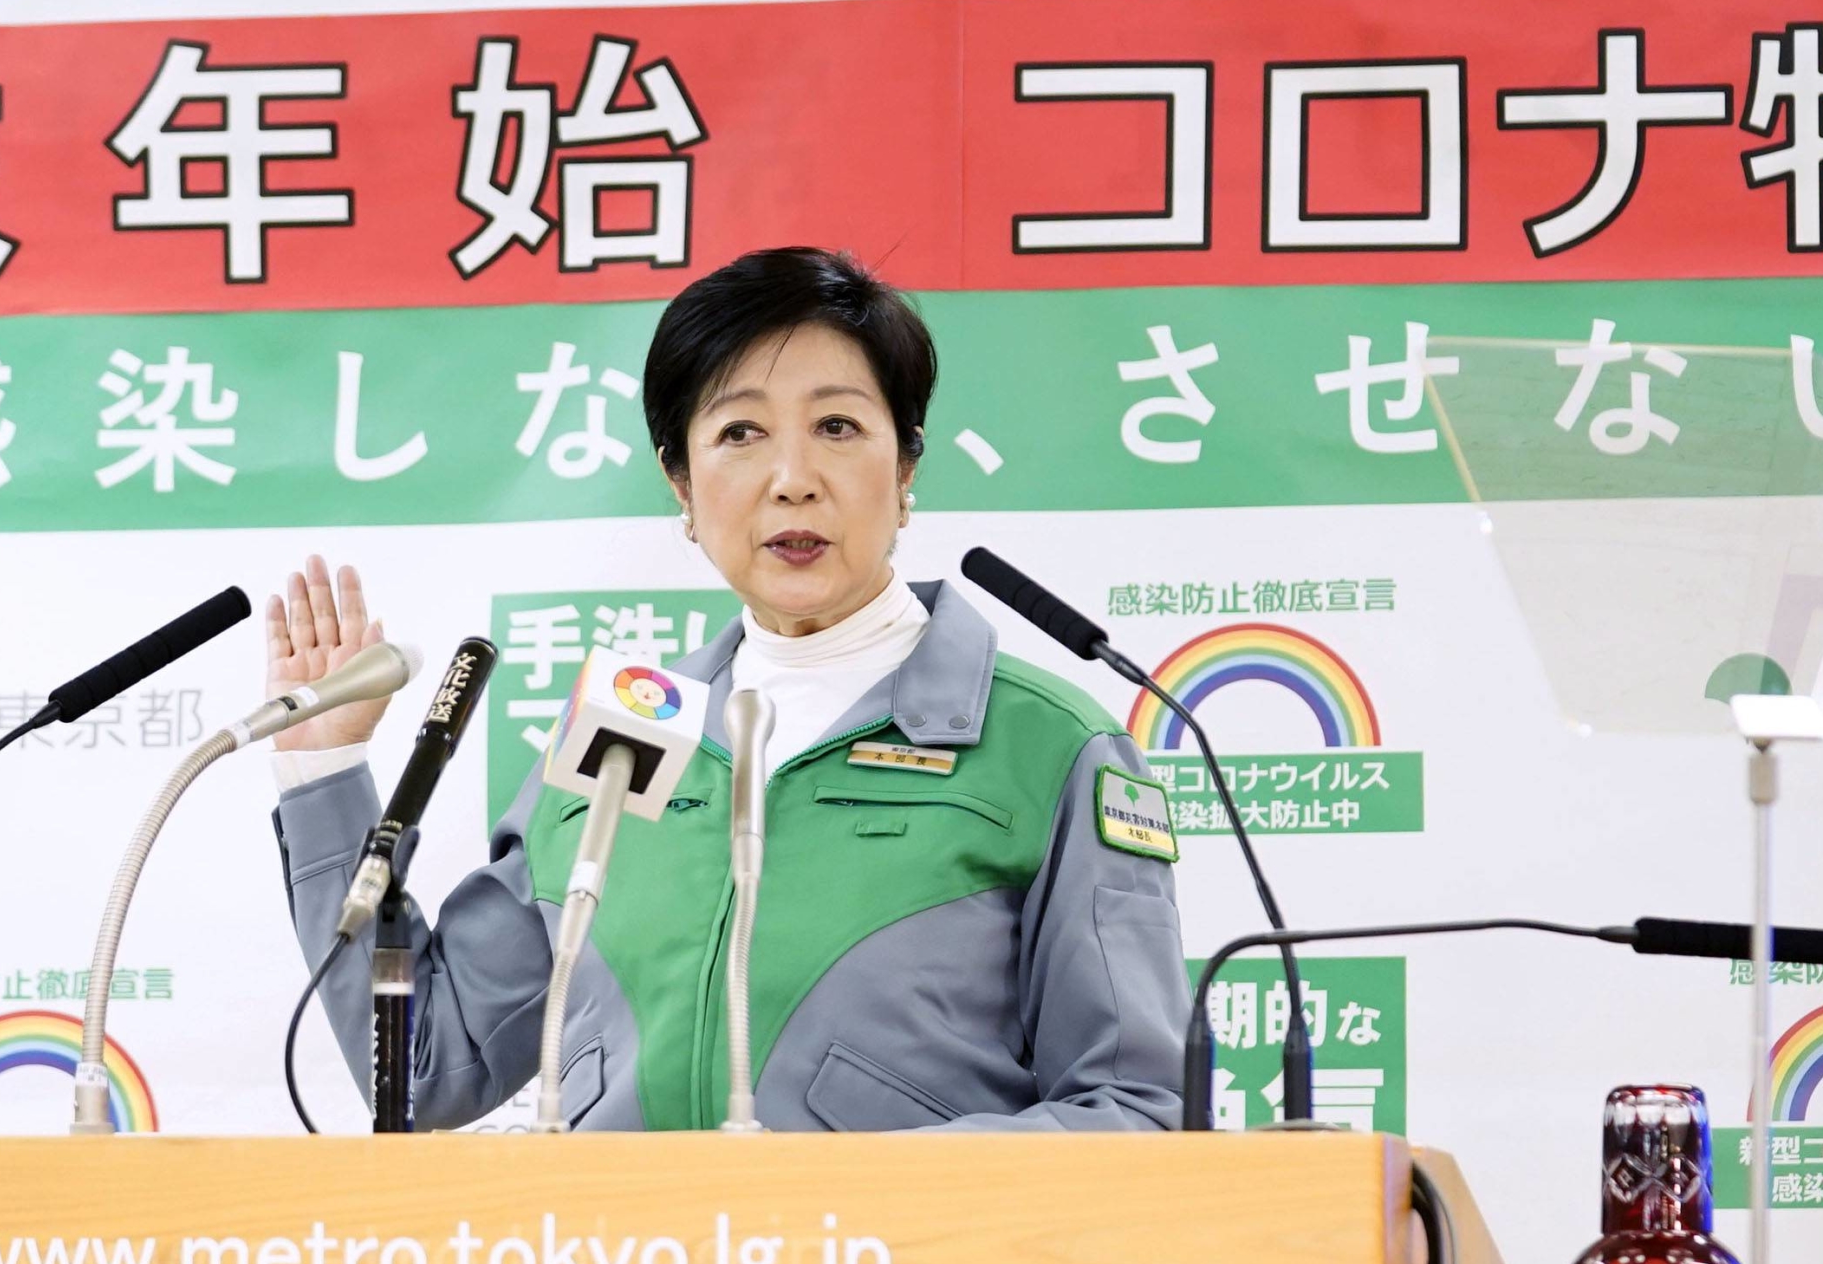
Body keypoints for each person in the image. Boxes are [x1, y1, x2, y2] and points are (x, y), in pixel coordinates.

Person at [268, 246, 1188, 1131]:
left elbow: (1135, 1109)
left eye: (837, 426)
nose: (792, 481)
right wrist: (325, 771)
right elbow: (429, 1064)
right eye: (739, 432)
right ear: (683, 484)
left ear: (905, 469)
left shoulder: (1049, 745)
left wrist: (841, 1205)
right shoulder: (620, 737)